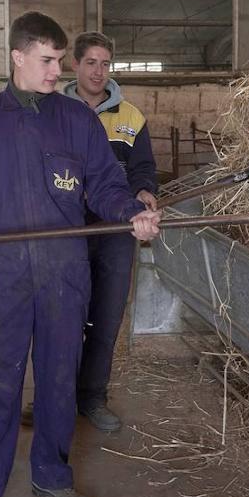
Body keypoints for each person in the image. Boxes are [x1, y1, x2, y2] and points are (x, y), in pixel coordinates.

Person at [0, 12, 162, 497]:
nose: (61, 70)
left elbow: (103, 184)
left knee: (59, 377)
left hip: (65, 271)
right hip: (9, 274)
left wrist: (132, 211)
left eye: (61, 60)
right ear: (19, 57)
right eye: (50, 60)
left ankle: (51, 476)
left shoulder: (77, 121)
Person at [63, 31, 158, 432]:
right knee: (64, 315)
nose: (99, 71)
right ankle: (57, 396)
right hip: (67, 230)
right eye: (91, 63)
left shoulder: (131, 118)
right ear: (76, 65)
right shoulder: (54, 111)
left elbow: (143, 169)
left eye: (105, 64)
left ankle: (93, 396)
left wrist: (144, 191)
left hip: (117, 229)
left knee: (107, 313)